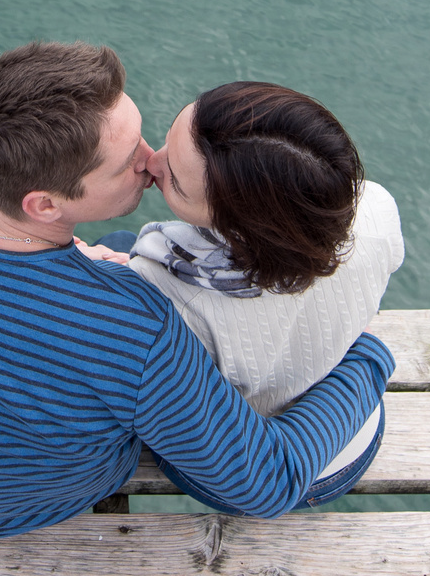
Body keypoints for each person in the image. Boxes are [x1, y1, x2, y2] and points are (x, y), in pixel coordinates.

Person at [0, 42, 393, 539]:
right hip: (29, 504)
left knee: (115, 244)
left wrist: (63, 259)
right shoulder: (139, 326)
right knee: (122, 276)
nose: (149, 160)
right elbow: (266, 482)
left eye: (140, 132)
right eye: (125, 162)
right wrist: (367, 357)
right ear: (45, 205)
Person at [81, 82, 402, 490]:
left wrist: (102, 281)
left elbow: (248, 470)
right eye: (167, 142)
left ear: (239, 228)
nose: (151, 163)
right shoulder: (375, 207)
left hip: (290, 466)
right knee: (124, 249)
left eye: (176, 182)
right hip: (360, 436)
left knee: (115, 248)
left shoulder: (165, 300)